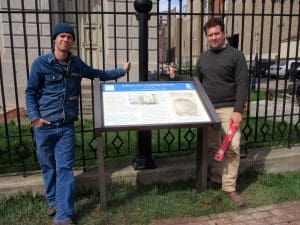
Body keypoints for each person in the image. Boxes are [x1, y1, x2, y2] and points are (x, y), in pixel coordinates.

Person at [25, 23, 130, 225]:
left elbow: (97, 73)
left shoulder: (76, 64)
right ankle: (53, 201)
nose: (65, 39)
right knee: (48, 166)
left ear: (73, 41)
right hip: (44, 125)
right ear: (55, 39)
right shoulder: (40, 64)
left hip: (66, 126)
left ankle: (63, 215)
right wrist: (35, 118)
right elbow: (30, 93)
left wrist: (121, 71)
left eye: (69, 37)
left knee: (64, 168)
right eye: (62, 36)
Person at [168, 17, 248, 207]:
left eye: (217, 33)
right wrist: (175, 76)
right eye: (210, 35)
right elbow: (197, 82)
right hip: (208, 109)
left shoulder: (236, 55)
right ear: (206, 37)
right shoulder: (203, 58)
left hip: (229, 108)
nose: (213, 37)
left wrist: (238, 110)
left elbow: (243, 83)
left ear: (223, 33)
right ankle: (218, 175)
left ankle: (229, 187)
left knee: (233, 147)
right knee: (212, 147)